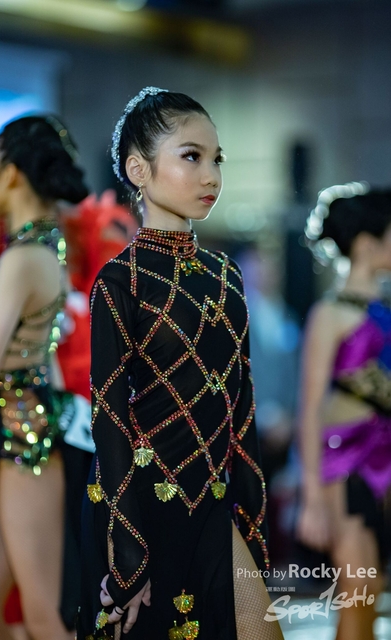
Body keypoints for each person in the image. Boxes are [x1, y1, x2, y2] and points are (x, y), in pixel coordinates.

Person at [78, 87, 284, 640]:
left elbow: (242, 409)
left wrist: (252, 519)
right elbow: (109, 419)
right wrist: (128, 554)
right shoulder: (118, 282)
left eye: (217, 159)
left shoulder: (226, 276)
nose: (211, 176)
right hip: (137, 509)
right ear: (138, 170)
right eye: (191, 156)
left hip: (213, 506)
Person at [0, 114, 89, 639]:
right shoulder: (44, 249)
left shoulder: (23, 257)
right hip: (20, 436)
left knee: (42, 616)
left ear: (10, 172)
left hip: (22, 443)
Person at [298, 183, 391, 640]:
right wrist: (311, 498)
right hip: (346, 461)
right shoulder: (330, 313)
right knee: (358, 588)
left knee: (374, 590)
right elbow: (310, 407)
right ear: (368, 243)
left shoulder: (384, 309)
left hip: (386, 456)